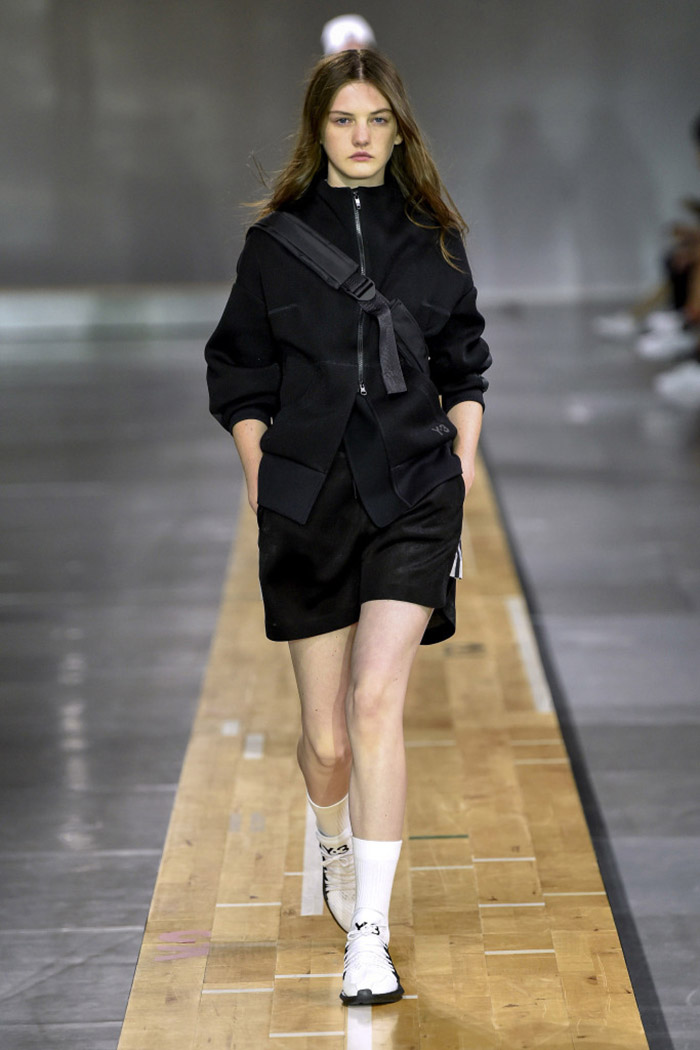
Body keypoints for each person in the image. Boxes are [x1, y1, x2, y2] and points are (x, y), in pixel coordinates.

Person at [205, 48, 491, 1006]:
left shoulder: (436, 238)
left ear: (400, 131)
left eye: (377, 119)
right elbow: (238, 371)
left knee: (377, 704)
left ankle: (369, 934)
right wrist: (258, 469)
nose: (361, 136)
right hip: (309, 502)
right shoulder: (275, 246)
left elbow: (464, 364)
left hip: (412, 492)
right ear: (318, 131)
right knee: (327, 743)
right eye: (343, 120)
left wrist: (461, 463)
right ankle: (329, 839)